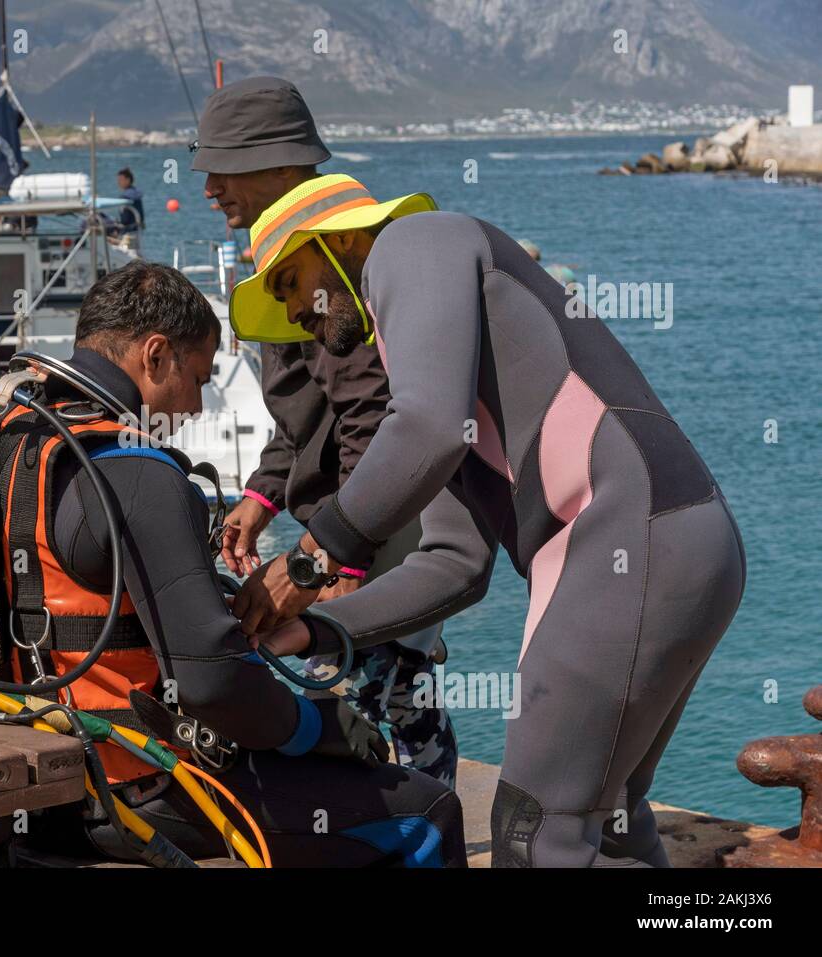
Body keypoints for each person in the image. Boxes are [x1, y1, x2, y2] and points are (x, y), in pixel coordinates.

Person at [227, 169, 747, 868]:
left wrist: (308, 563)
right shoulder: (450, 382)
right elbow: (454, 566)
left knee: (538, 834)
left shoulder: (412, 242)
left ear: (343, 238)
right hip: (682, 544)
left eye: (289, 282)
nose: (292, 314)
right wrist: (319, 626)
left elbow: (427, 429)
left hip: (627, 538)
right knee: (611, 824)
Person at [0, 260, 467, 867]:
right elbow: (213, 685)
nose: (194, 406)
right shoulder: (136, 473)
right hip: (136, 792)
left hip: (27, 783)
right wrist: (328, 728)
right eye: (196, 378)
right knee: (428, 814)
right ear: (155, 355)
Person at [191, 75, 455, 784]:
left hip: (371, 530)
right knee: (393, 696)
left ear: (282, 166)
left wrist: (344, 565)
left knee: (371, 704)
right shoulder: (288, 262)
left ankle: (418, 828)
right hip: (350, 529)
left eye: (225, 167)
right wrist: (261, 495)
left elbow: (375, 418)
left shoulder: (331, 258)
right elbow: (304, 414)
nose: (211, 186)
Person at [114, 167, 144, 234]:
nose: (118, 182)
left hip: (128, 230)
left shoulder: (125, 197)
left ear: (128, 180)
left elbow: (125, 220)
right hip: (137, 229)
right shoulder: (137, 193)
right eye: (118, 180)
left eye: (121, 180)